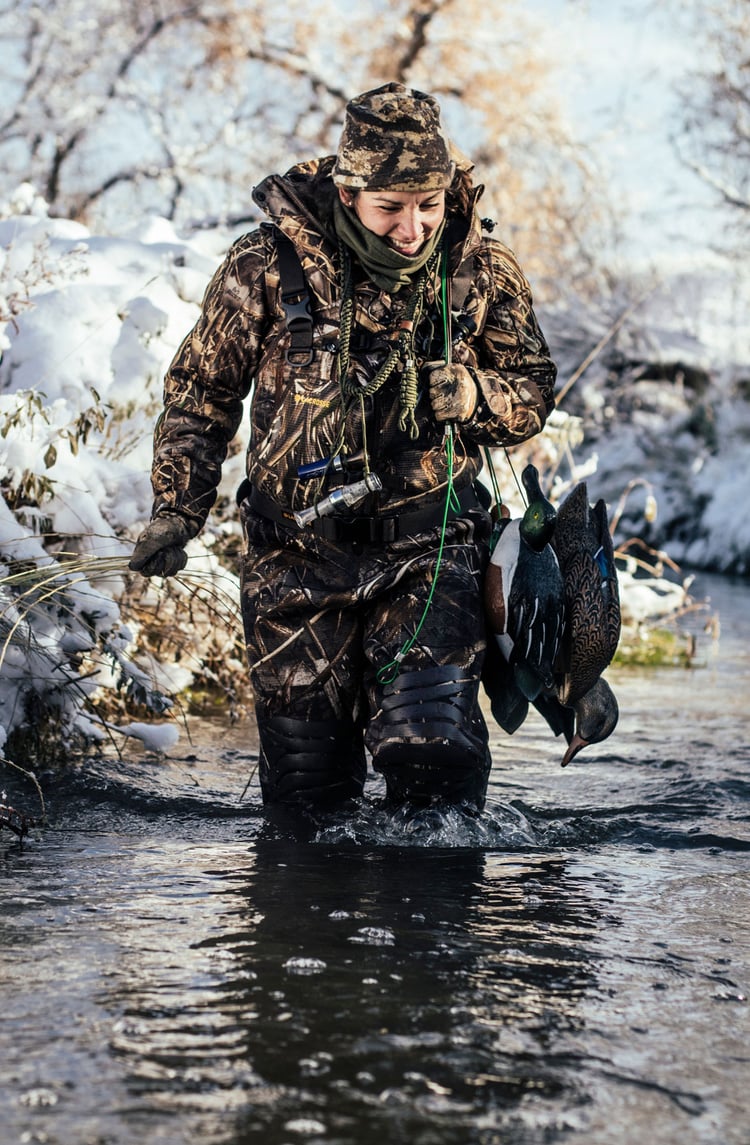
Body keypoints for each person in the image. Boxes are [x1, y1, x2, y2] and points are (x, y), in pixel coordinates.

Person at [129, 83, 557, 814]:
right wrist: (177, 508)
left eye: (427, 203)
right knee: (307, 797)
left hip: (431, 548)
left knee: (436, 754)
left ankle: (432, 914)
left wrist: (479, 396)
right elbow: (201, 393)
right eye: (391, 208)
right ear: (347, 188)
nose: (414, 227)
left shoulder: (481, 268)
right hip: (291, 558)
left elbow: (533, 388)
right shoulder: (261, 265)